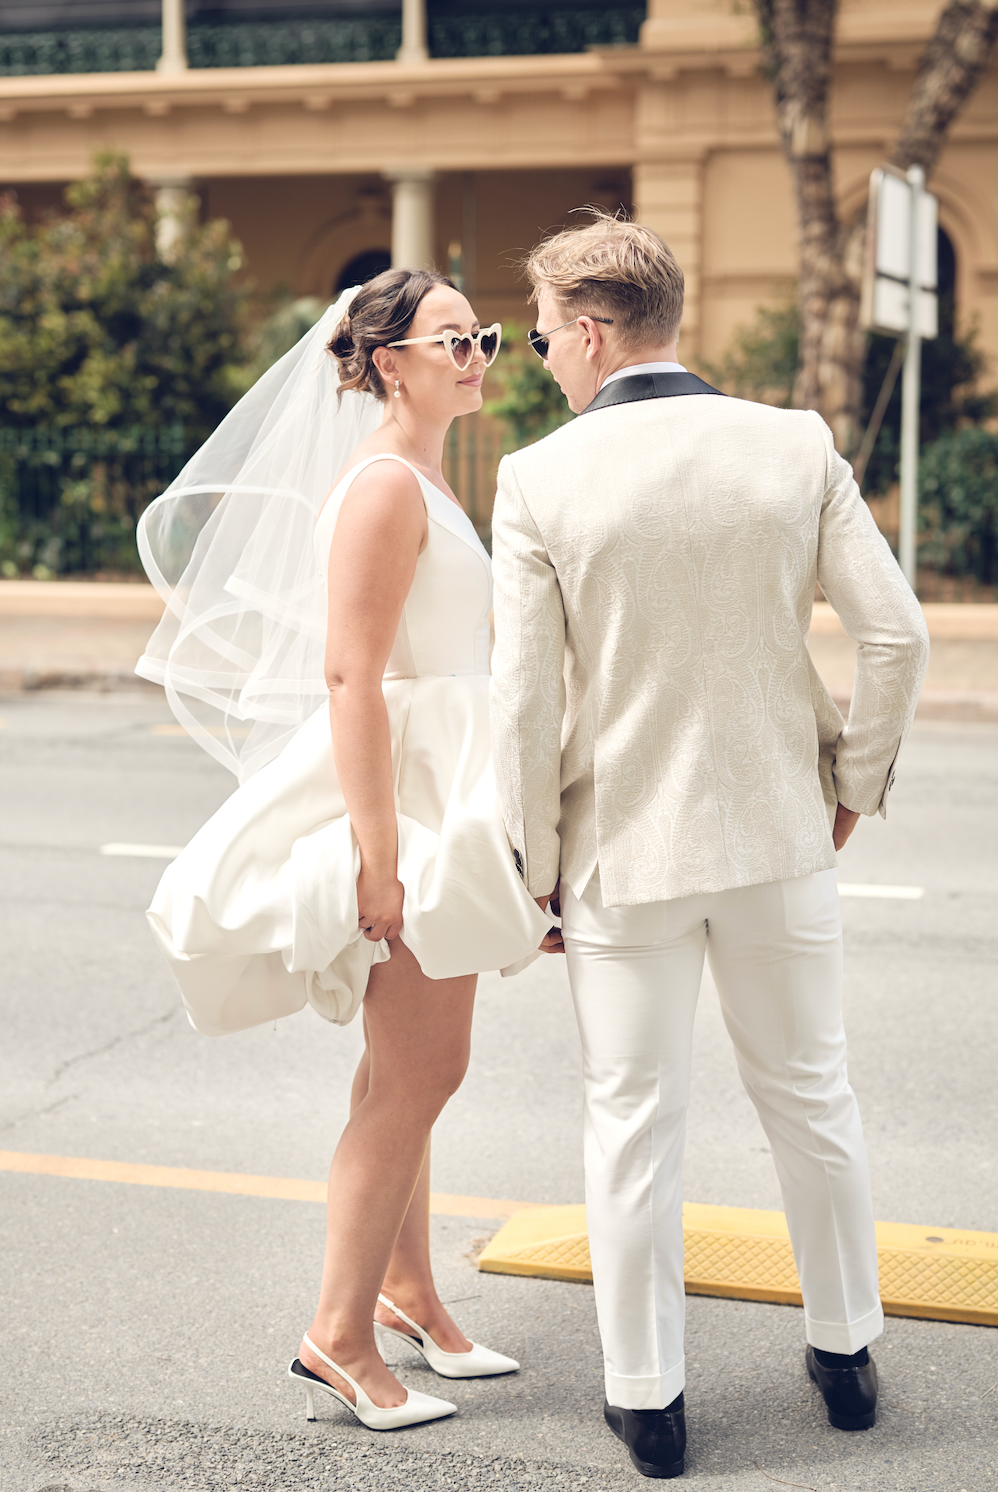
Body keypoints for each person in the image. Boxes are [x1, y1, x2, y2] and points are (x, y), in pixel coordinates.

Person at [489, 213, 929, 1479]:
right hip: (780, 833)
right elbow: (893, 634)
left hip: (619, 857)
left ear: (586, 329)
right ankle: (845, 1359)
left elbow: (523, 705)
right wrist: (852, 781)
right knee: (813, 1097)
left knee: (631, 1122)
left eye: (539, 340)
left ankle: (650, 1406)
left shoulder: (541, 476)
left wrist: (531, 868)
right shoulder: (790, 443)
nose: (542, 364)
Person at [135, 269, 551, 1431]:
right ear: (383, 363)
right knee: (422, 1070)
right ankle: (337, 1334)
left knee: (401, 1067)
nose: (478, 352)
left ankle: (410, 1290)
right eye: (452, 338)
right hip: (406, 802)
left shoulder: (423, 472)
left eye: (484, 335)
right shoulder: (379, 486)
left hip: (442, 787)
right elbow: (348, 677)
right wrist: (380, 853)